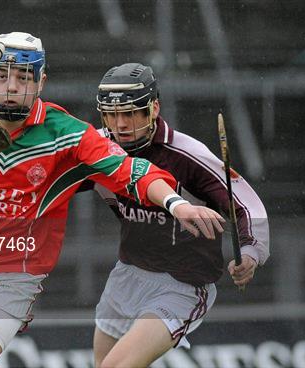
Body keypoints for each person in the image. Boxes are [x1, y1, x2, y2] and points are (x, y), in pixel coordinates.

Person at [0, 34, 224, 368]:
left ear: (41, 81)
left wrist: (176, 203)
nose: (12, 86)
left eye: (23, 77)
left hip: (10, 276)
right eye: (1, 76)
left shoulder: (66, 134)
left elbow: (130, 170)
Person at [81, 63, 270, 368]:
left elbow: (247, 204)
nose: (121, 124)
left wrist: (250, 251)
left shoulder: (187, 154)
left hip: (181, 286)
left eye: (130, 113)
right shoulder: (99, 148)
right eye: (112, 115)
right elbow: (49, 177)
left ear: (153, 108)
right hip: (127, 274)